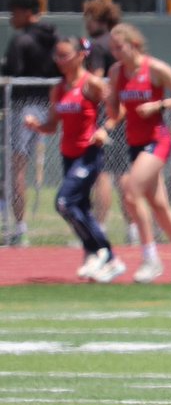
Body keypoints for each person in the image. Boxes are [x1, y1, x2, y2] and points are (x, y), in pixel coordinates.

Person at [102, 23, 171, 284]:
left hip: (157, 140)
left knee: (130, 192)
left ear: (134, 44)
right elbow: (116, 111)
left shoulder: (155, 68)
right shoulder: (117, 72)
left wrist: (158, 105)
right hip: (134, 143)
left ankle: (150, 258)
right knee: (159, 205)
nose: (116, 53)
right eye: (112, 48)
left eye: (120, 47)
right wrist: (108, 105)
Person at [23, 37, 125, 282]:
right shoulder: (59, 88)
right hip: (67, 155)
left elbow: (118, 111)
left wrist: (104, 129)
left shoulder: (91, 84)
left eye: (65, 55)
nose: (59, 61)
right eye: (56, 56)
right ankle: (99, 255)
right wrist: (37, 126)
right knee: (80, 207)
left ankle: (106, 254)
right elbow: (51, 125)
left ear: (80, 56)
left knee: (64, 202)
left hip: (88, 154)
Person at [2, 0, 58, 245]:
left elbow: (11, 73)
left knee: (17, 169)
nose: (11, 17)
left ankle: (19, 228)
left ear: (27, 12)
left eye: (14, 12)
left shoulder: (21, 41)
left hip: (23, 107)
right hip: (49, 107)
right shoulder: (54, 39)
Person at [81, 0, 130, 240]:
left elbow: (95, 79)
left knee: (103, 173)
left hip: (105, 114)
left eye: (90, 18)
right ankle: (133, 229)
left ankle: (99, 226)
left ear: (100, 19)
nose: (87, 24)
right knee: (124, 172)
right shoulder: (121, 45)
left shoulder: (98, 46)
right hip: (126, 111)